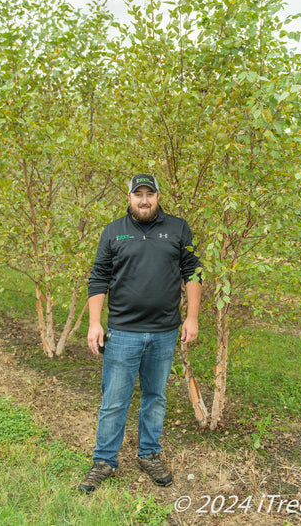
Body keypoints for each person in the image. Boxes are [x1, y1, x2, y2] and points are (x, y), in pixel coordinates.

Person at [78, 174, 202, 493]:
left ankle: (148, 454)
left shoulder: (178, 229)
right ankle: (104, 461)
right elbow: (98, 278)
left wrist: (192, 317)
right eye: (138, 194)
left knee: (155, 397)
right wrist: (95, 323)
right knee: (115, 400)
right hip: (123, 332)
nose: (144, 200)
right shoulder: (113, 231)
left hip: (164, 331)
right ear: (129, 197)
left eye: (149, 194)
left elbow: (193, 272)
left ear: (158, 196)